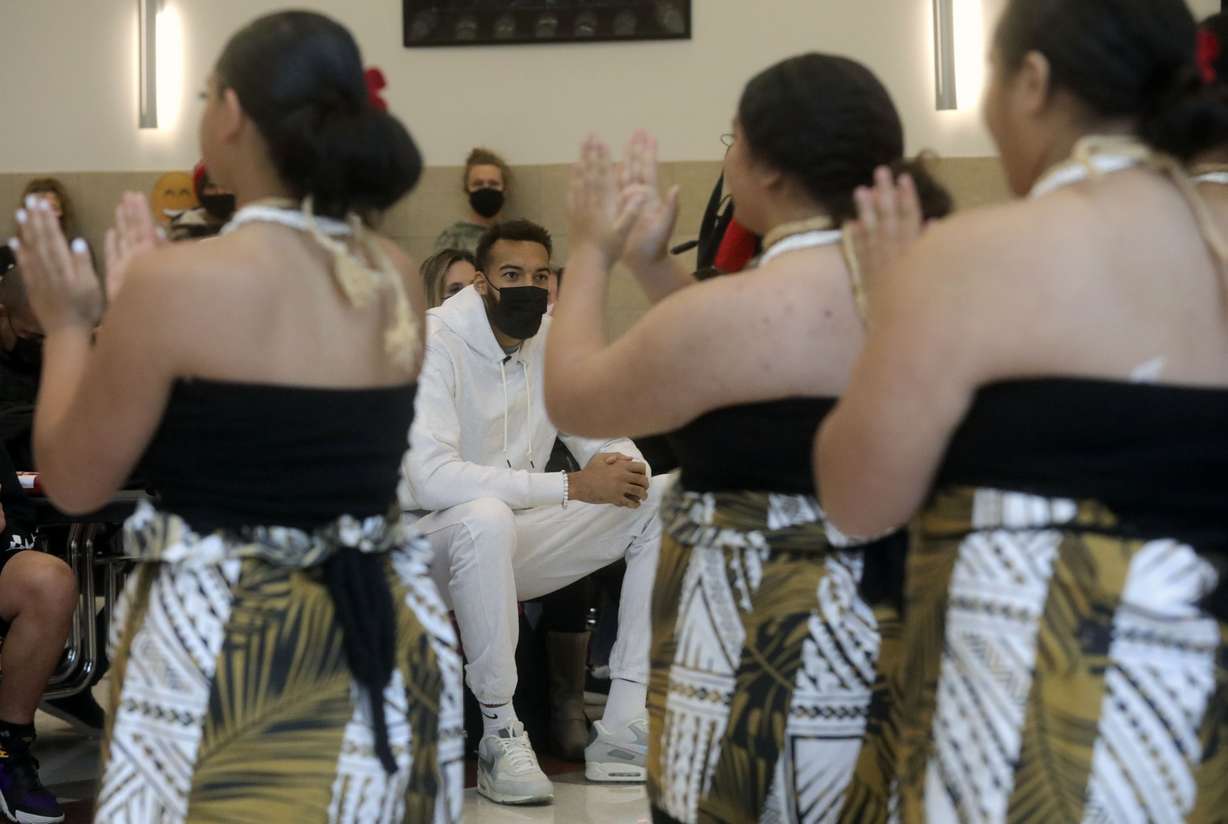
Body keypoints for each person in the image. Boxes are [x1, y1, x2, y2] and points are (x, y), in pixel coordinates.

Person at [11, 11, 462, 822]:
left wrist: (73, 325)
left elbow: (76, 484)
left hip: (229, 635)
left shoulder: (179, 282)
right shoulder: (391, 270)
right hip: (377, 624)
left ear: (229, 114)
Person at [815, 1, 1228, 821]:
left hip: (1033, 723)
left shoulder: (973, 257)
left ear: (1033, 81)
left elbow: (859, 495)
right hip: (1200, 724)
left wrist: (890, 305)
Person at [544, 54, 951, 824]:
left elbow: (573, 391)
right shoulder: (917, 286)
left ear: (761, 168)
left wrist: (593, 252)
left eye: (733, 139)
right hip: (894, 614)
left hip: (748, 633)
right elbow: (736, 380)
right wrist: (655, 266)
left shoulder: (732, 314)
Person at [401, 218, 663, 805]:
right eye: (511, 274)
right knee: (486, 515)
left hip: (512, 541)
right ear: (483, 282)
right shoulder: (433, 340)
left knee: (667, 502)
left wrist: (624, 466)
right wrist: (569, 486)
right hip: (424, 545)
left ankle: (623, 724)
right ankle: (500, 731)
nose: (528, 286)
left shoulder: (550, 337)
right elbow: (431, 477)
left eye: (539, 274)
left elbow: (600, 430)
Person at [433, 147, 511, 253]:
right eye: (478, 184)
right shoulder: (452, 238)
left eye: (493, 184)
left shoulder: (513, 237)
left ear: (504, 189)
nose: (486, 188)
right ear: (467, 190)